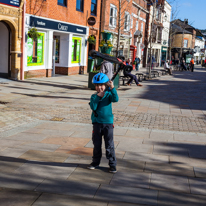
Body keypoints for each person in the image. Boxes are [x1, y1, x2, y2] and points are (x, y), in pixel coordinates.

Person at [88, 73, 119, 173]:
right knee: (97, 144)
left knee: (109, 145)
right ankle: (95, 162)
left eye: (101, 85)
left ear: (105, 86)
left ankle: (112, 164)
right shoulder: (94, 96)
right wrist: (98, 97)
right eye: (97, 85)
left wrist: (113, 88)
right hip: (97, 124)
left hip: (108, 124)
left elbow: (116, 99)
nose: (99, 87)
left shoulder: (109, 95)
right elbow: (93, 107)